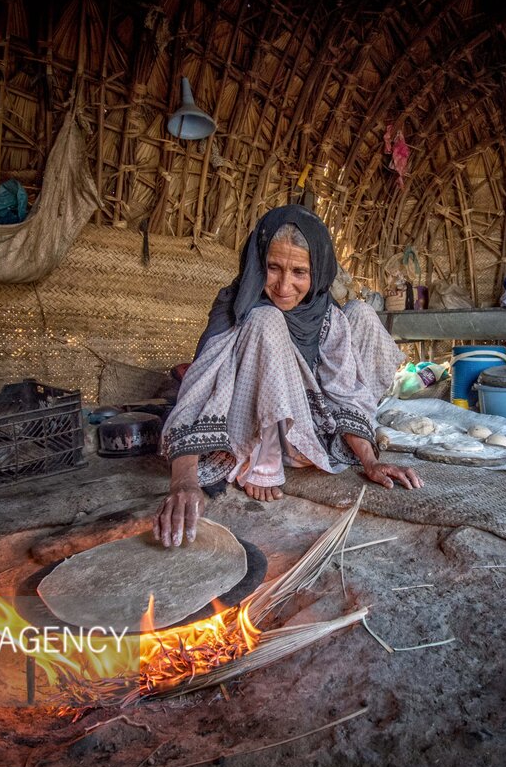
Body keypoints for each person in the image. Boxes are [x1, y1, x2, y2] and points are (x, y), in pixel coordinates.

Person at [154, 204, 422, 547]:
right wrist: (184, 482)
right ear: (257, 263)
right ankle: (265, 459)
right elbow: (200, 387)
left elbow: (342, 390)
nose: (284, 286)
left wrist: (369, 461)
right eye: (273, 268)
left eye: (299, 272)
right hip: (251, 434)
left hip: (310, 432)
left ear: (318, 272)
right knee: (267, 319)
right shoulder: (235, 306)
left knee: (362, 313)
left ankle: (329, 440)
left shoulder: (325, 313)